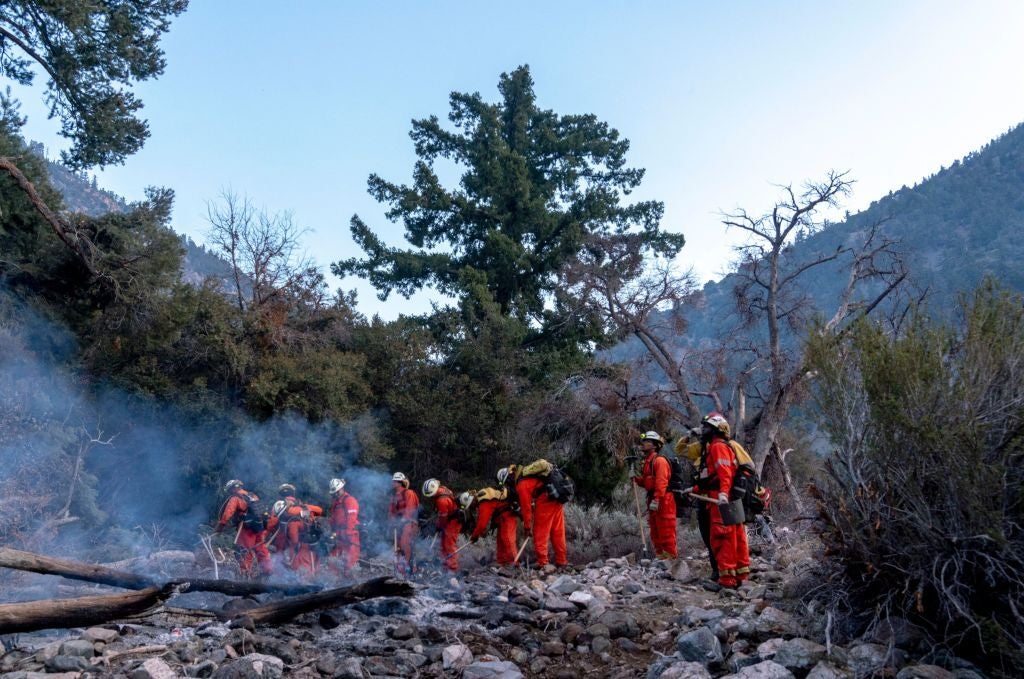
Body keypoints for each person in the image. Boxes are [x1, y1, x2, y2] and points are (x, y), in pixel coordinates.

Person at [693, 412, 750, 589]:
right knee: (736, 536)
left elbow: (724, 474)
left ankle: (727, 580)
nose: (703, 430)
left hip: (720, 499)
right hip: (728, 498)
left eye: (706, 427)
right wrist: (694, 490)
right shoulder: (718, 446)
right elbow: (713, 477)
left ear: (715, 429)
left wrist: (723, 494)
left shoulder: (717, 447)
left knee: (722, 537)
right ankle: (741, 576)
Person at [502, 464, 568, 570]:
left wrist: (527, 527)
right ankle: (562, 561)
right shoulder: (528, 476)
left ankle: (543, 563)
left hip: (545, 499)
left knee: (540, 532)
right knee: (558, 532)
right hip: (556, 497)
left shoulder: (521, 484)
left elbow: (526, 508)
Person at [676, 428, 717, 580]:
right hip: (702, 499)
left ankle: (723, 572)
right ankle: (716, 570)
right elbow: (679, 449)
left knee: (718, 537)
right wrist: (688, 436)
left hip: (716, 500)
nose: (701, 437)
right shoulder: (699, 449)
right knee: (707, 536)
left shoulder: (718, 449)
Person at [632, 431, 677, 559]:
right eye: (643, 441)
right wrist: (635, 479)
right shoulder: (648, 462)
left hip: (663, 499)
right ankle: (661, 557)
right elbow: (647, 482)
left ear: (655, 445)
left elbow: (661, 482)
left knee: (666, 528)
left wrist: (657, 500)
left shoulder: (660, 461)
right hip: (653, 498)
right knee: (655, 530)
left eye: (647, 441)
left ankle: (670, 559)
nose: (643, 444)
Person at [216, 480, 273, 578]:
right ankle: (268, 571)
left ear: (232, 489)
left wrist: (220, 527)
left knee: (244, 551)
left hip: (246, 528)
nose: (229, 493)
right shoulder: (252, 495)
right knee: (261, 549)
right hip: (259, 527)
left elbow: (228, 514)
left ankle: (244, 575)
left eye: (229, 490)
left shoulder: (235, 498)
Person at [268, 498, 324, 579]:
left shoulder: (292, 520)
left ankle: (307, 584)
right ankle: (317, 579)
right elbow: (319, 511)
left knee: (303, 569)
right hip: (315, 542)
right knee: (315, 566)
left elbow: (294, 537)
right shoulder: (302, 508)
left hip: (304, 546)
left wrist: (294, 546)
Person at [468, 487, 518, 566]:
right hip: (502, 517)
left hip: (507, 516)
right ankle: (502, 562)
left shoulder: (484, 502)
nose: (473, 508)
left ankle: (513, 563)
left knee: (507, 539)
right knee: (501, 540)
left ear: (472, 501)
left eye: (471, 506)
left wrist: (474, 536)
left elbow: (482, 524)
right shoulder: (483, 495)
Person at [422, 478, 461, 572]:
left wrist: (439, 526)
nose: (430, 497)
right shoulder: (442, 489)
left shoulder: (441, 501)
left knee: (449, 543)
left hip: (454, 521)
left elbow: (443, 517)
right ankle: (445, 565)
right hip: (450, 518)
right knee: (443, 542)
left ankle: (452, 568)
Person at [389, 472, 420, 576]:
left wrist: (402, 520)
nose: (392, 483)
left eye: (394, 481)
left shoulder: (409, 493)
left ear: (399, 482)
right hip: (399, 525)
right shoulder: (394, 496)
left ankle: (409, 569)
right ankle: (400, 570)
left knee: (405, 545)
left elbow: (410, 509)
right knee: (398, 547)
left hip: (409, 523)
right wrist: (393, 521)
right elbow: (391, 511)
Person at [328, 478, 360, 576]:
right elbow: (333, 518)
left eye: (337, 492)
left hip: (350, 535)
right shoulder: (336, 503)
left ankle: (351, 581)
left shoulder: (350, 500)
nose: (336, 494)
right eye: (334, 493)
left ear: (342, 488)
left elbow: (351, 518)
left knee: (350, 560)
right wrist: (332, 532)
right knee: (334, 559)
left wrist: (348, 534)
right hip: (339, 534)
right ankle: (335, 581)